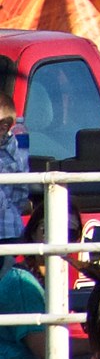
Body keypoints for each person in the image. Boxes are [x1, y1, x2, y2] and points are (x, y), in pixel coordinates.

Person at [0, 92, 28, 262]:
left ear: (3, 128)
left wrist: (12, 210)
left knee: (4, 282)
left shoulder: (13, 152)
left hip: (7, 232)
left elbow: (21, 190)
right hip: (10, 226)